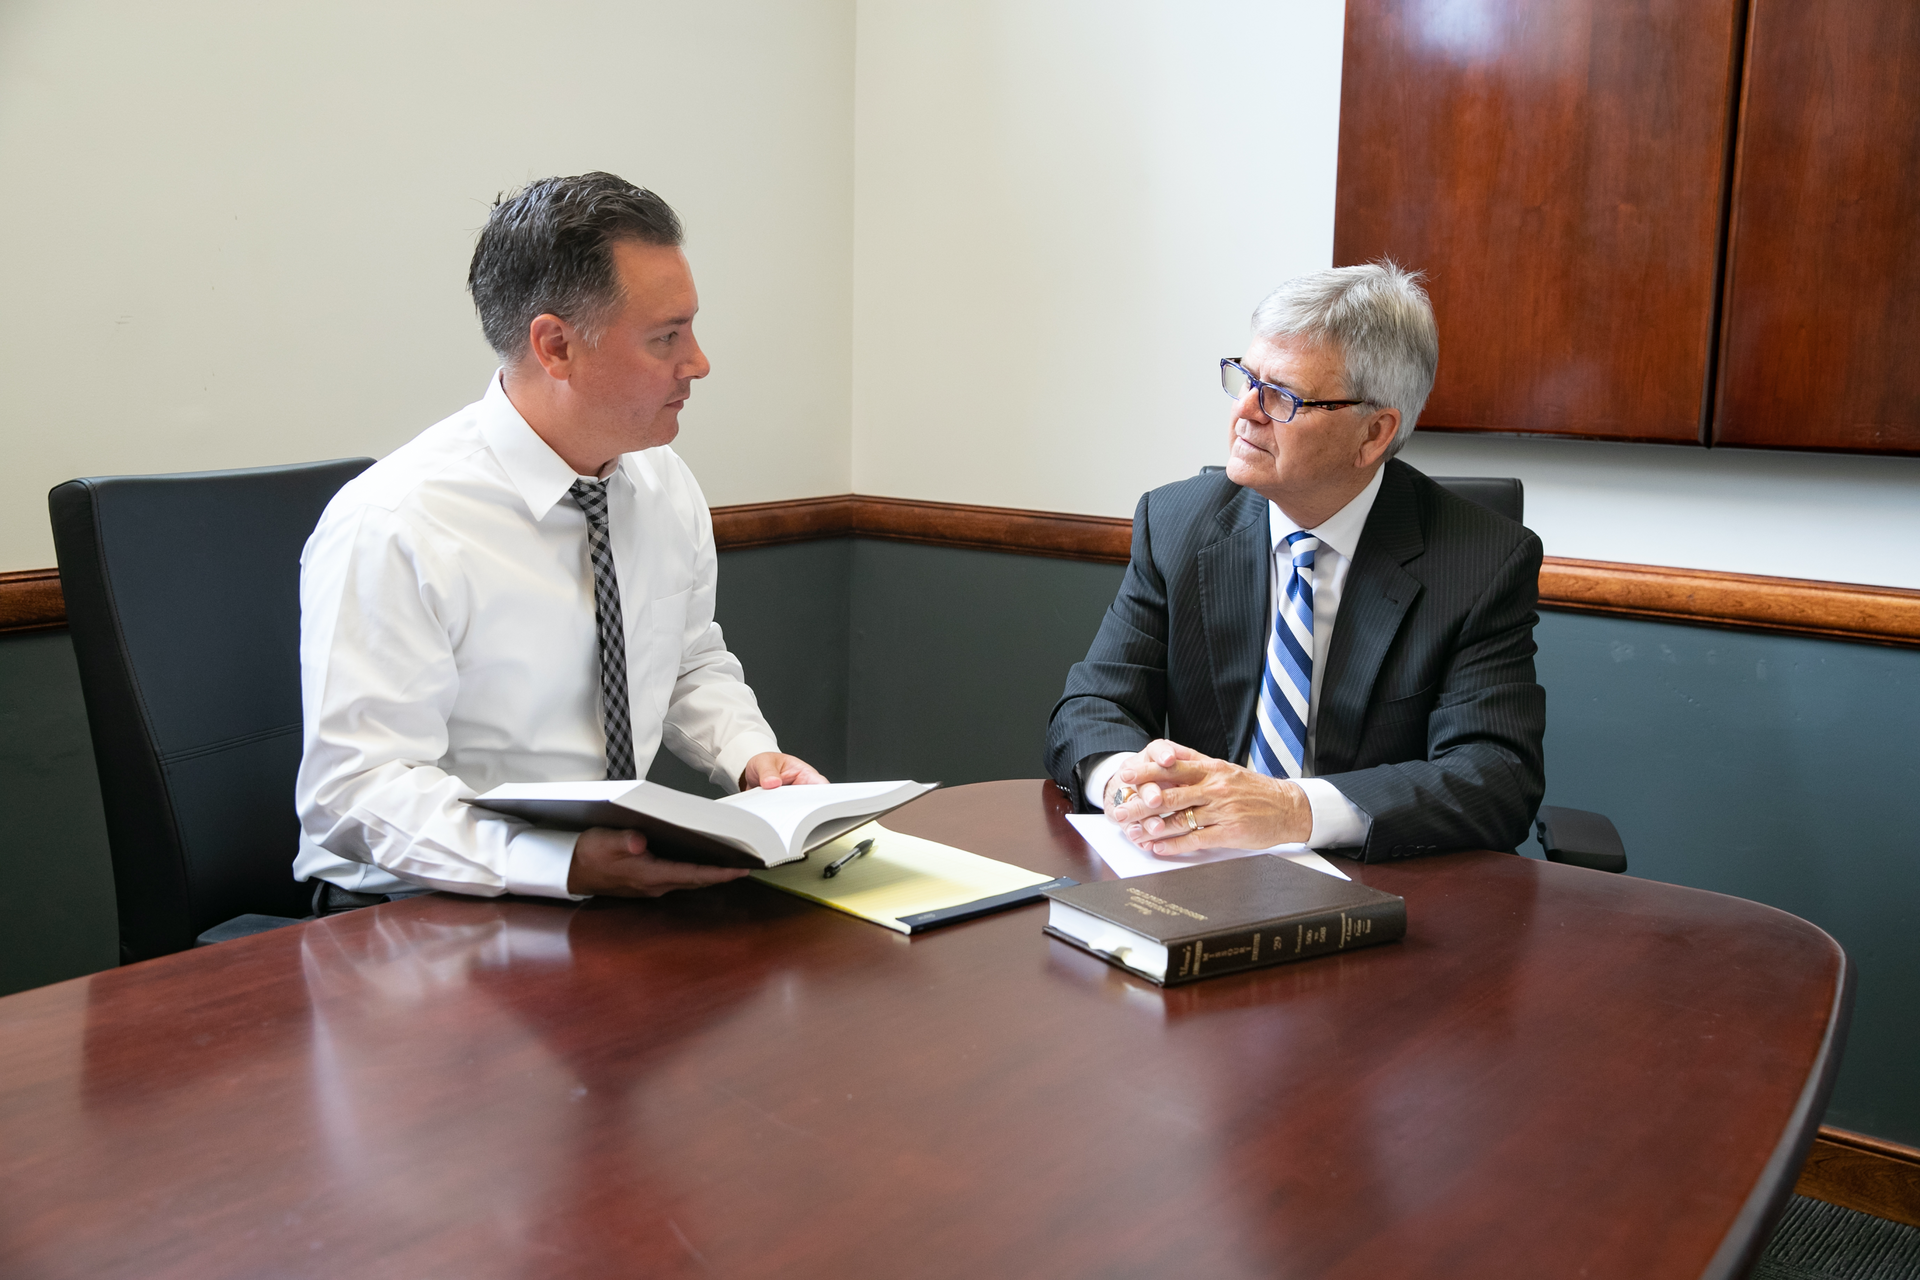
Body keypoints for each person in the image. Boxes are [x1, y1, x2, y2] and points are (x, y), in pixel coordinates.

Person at [295, 172, 825, 913]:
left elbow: (686, 662)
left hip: (605, 895)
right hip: (420, 908)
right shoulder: (396, 522)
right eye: (666, 337)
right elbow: (354, 794)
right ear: (555, 346)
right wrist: (561, 863)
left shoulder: (661, 482)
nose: (698, 362)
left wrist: (751, 760)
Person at [1044, 262, 1544, 863]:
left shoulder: (1479, 560)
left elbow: (1495, 776)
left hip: (1376, 883)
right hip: (1192, 870)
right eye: (1245, 379)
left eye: (1281, 396)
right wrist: (1131, 785)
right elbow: (1094, 704)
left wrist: (1291, 810)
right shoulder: (1177, 523)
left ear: (1374, 433)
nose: (1246, 411)